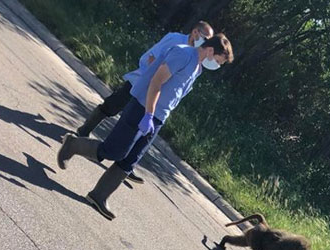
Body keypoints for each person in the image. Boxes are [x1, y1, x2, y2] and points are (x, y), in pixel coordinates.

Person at [57, 34, 233, 220]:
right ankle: (72, 145)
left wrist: (156, 117)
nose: (217, 65)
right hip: (142, 108)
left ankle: (99, 196)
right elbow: (156, 81)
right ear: (211, 50)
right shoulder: (183, 54)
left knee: (130, 160)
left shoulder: (197, 67)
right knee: (114, 151)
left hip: (157, 117)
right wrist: (148, 113)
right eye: (219, 61)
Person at [76, 21, 216, 184]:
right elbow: (151, 57)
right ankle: (84, 131)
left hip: (154, 96)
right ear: (195, 32)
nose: (207, 42)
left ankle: (125, 165)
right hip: (140, 83)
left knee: (138, 133)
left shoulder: (197, 59)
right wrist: (156, 77)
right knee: (112, 107)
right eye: (205, 38)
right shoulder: (175, 39)